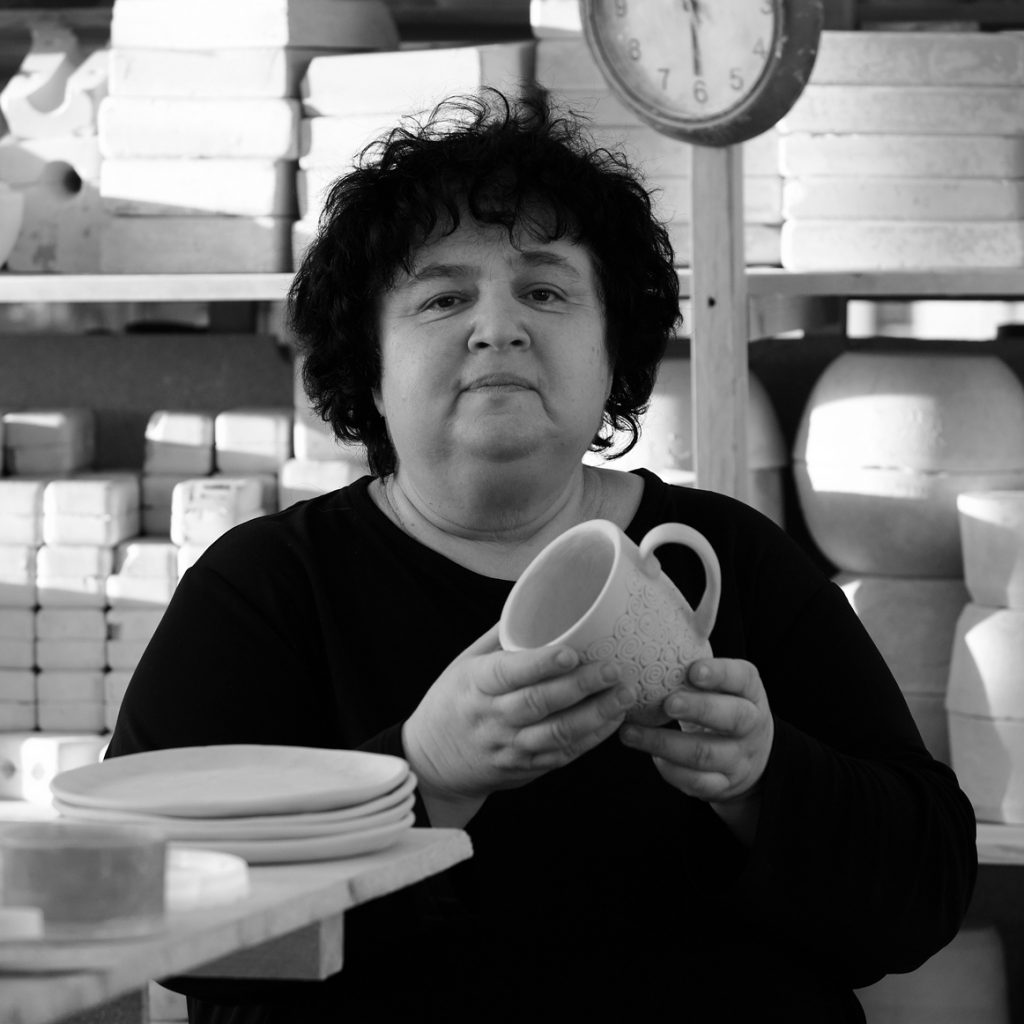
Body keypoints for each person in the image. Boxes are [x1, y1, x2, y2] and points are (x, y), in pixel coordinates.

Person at [106, 89, 977, 1022]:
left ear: (613, 351)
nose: (499, 327)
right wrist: (419, 777)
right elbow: (151, 914)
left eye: (546, 291)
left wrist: (766, 781)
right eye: (444, 297)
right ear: (369, 366)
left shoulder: (732, 560)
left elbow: (924, 895)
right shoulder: (267, 589)